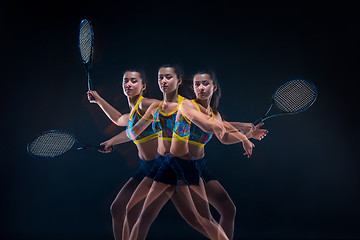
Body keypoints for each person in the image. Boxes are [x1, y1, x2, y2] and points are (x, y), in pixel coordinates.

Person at [118, 64, 256, 240]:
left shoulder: (185, 105)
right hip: (165, 163)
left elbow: (214, 126)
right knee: (138, 213)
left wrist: (244, 134)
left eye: (168, 77)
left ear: (179, 81)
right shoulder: (160, 107)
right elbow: (132, 130)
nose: (163, 81)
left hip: (184, 164)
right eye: (161, 77)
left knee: (201, 219)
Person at [182, 70, 267, 239]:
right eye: (197, 84)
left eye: (205, 83)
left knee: (228, 210)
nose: (200, 87)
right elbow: (209, 126)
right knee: (204, 219)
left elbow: (224, 136)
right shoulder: (187, 106)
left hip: (201, 166)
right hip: (183, 165)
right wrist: (243, 132)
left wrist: (248, 135)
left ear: (214, 87)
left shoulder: (215, 114)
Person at [87, 69, 159, 240]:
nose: (128, 84)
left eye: (134, 81)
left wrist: (111, 141)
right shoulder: (133, 113)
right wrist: (98, 100)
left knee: (133, 214)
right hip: (145, 169)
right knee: (117, 209)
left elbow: (134, 130)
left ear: (143, 86)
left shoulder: (149, 105)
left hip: (162, 169)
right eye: (125, 81)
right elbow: (119, 119)